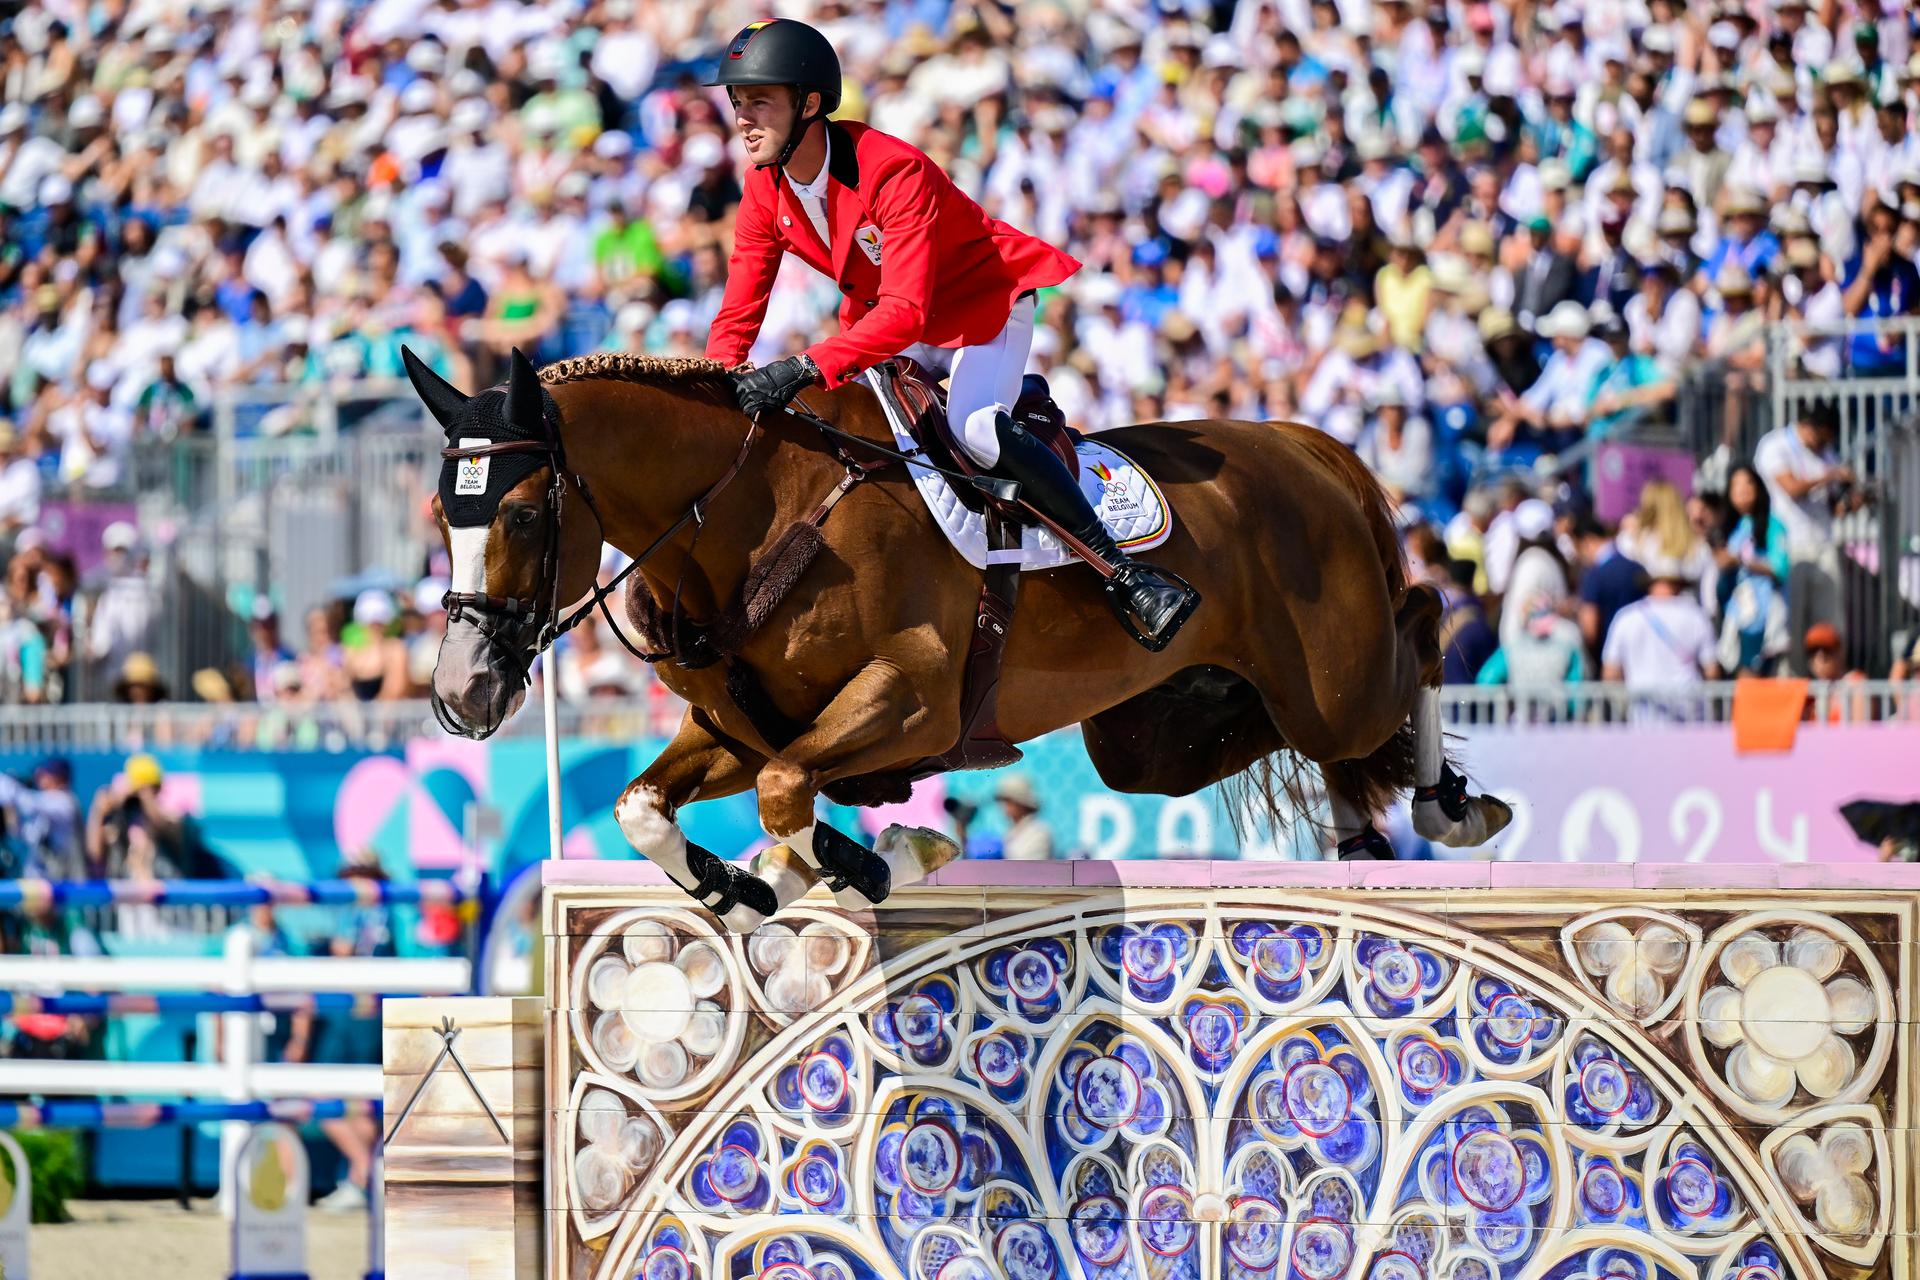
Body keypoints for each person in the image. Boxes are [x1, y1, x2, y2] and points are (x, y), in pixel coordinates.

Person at [702, 18, 1194, 648]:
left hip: (981, 307)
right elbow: (741, 305)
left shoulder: (891, 169)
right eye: (738, 103)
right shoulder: (764, 186)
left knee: (976, 428)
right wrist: (716, 381)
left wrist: (801, 365)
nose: (743, 119)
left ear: (811, 103)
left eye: (759, 102)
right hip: (890, 323)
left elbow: (906, 310)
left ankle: (1124, 574)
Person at [1753, 400, 1854, 673]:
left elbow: (1832, 507)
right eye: (1822, 439)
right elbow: (1791, 488)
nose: (1824, 446)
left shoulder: (1826, 453)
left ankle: (1829, 685)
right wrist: (1829, 475)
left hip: (1823, 544)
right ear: (1809, 428)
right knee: (1792, 626)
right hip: (1789, 549)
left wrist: (1852, 500)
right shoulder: (1774, 446)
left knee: (1829, 625)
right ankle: (1792, 684)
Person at [991, 774, 1054, 861]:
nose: (1004, 805)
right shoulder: (1013, 831)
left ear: (1021, 802)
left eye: (1008, 800)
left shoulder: (1039, 832)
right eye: (1002, 800)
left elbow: (1028, 865)